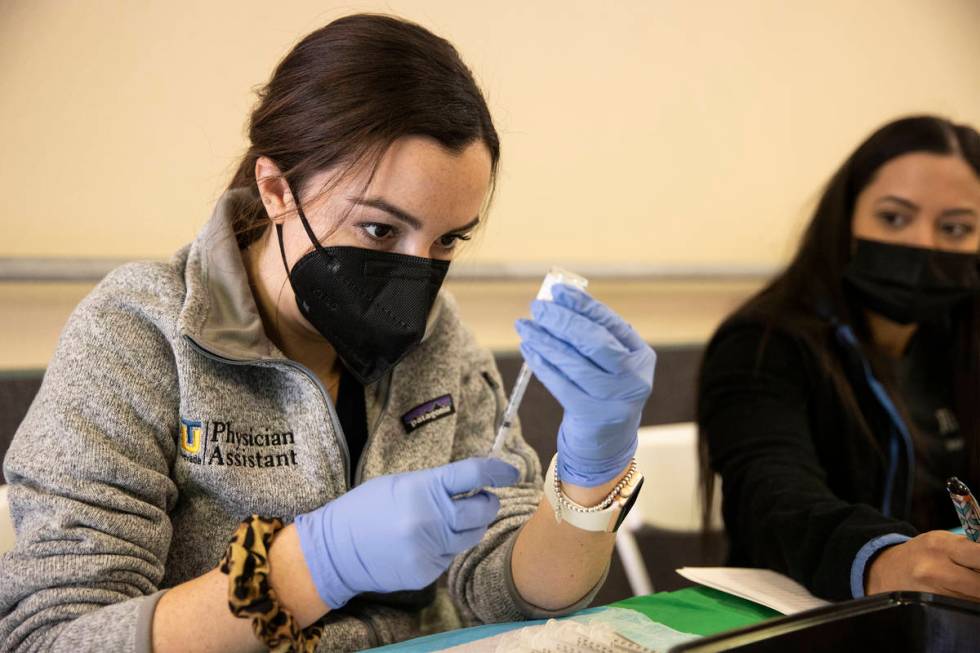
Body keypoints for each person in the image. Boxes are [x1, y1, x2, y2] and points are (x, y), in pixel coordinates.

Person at [0, 14, 655, 653]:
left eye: (449, 239)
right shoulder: (137, 336)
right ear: (277, 187)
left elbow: (511, 590)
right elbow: (53, 637)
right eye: (379, 230)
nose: (417, 275)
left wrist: (591, 474)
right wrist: (313, 563)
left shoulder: (440, 343)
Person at [698, 115, 980, 602]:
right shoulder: (762, 342)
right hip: (801, 616)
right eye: (894, 217)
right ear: (845, 219)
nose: (922, 244)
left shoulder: (962, 337)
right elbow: (773, 497)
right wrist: (883, 559)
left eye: (955, 228)